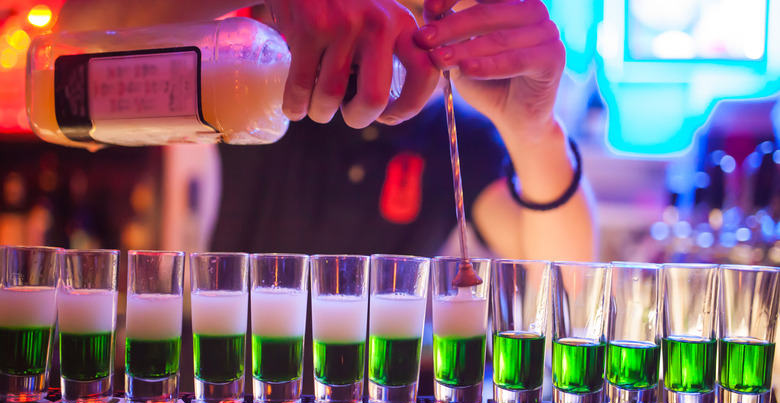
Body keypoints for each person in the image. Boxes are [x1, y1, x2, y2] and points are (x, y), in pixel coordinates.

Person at [54, 0, 597, 263]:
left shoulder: (457, 135)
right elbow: (75, 52)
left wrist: (531, 129)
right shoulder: (256, 68)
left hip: (385, 398)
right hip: (232, 391)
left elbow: (567, 288)